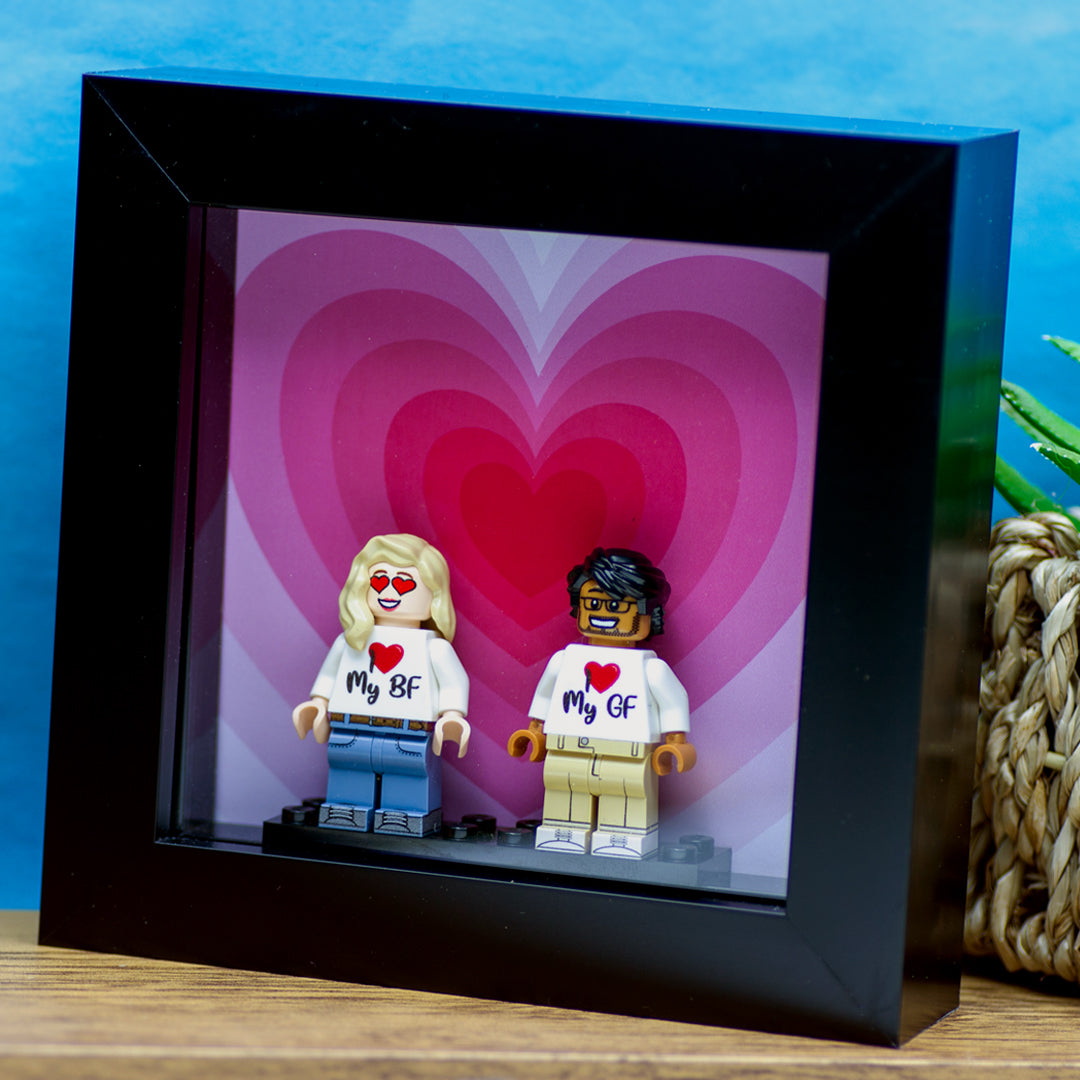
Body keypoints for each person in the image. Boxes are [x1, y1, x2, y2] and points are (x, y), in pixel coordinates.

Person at [508, 547, 694, 859]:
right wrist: (535, 730)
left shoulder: (651, 670)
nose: (604, 612)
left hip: (628, 755)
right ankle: (563, 832)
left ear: (648, 613)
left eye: (618, 605)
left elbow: (674, 703)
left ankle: (622, 837)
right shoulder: (565, 661)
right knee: (565, 791)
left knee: (626, 795)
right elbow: (545, 696)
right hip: (567, 749)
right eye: (593, 603)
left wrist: (676, 742)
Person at [293, 534, 469, 836]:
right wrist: (318, 704)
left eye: (403, 584)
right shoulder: (351, 642)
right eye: (379, 581)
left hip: (409, 732)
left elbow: (454, 682)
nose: (389, 591)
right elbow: (329, 678)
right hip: (350, 728)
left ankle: (405, 816)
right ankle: (346, 810)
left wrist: (452, 715)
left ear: (434, 595)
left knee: (409, 773)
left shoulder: (434, 648)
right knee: (348, 768)